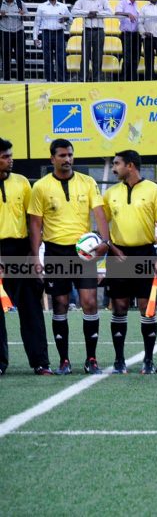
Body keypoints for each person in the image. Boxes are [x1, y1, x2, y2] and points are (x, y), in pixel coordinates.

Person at [28, 139, 111, 375]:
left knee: (90, 302)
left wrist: (105, 241)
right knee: (61, 304)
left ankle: (91, 359)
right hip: (56, 251)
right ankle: (64, 361)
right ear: (52, 158)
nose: (67, 159)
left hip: (83, 252)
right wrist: (36, 257)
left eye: (70, 155)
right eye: (62, 155)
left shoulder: (88, 182)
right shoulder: (41, 187)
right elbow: (35, 224)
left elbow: (99, 214)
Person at [102, 150, 157, 375]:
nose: (113, 168)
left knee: (146, 309)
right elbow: (103, 229)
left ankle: (148, 360)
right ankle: (119, 360)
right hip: (118, 255)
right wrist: (112, 248)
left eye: (117, 164)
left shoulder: (154, 191)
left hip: (145, 254)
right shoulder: (110, 193)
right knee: (119, 307)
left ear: (130, 166)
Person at [0, 138, 52, 376]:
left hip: (20, 250)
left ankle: (40, 362)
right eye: (5, 156)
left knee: (31, 307)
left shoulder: (22, 182)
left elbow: (33, 222)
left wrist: (34, 254)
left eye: (10, 155)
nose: (11, 160)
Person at [71, 0, 112, 82]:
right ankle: (83, 79)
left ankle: (96, 79)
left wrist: (97, 14)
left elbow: (109, 12)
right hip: (87, 31)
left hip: (99, 31)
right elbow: (74, 11)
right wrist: (87, 13)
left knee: (98, 57)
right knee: (85, 56)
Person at [33, 0, 71, 83]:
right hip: (46, 33)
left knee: (61, 58)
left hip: (59, 33)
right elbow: (37, 23)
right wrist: (35, 37)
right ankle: (50, 80)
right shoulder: (41, 6)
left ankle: (62, 80)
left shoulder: (63, 6)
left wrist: (65, 19)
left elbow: (71, 19)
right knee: (47, 58)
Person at [0, 0, 26, 82]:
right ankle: (6, 80)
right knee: (6, 57)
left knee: (20, 56)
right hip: (4, 32)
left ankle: (21, 80)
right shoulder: (0, 3)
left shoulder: (20, 3)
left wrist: (22, 14)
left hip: (18, 32)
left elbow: (27, 17)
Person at [115, 0, 141, 81]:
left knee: (136, 58)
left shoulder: (136, 4)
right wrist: (127, 14)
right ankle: (124, 79)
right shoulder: (122, 3)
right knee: (127, 58)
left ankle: (132, 79)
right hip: (126, 34)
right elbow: (117, 13)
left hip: (136, 34)